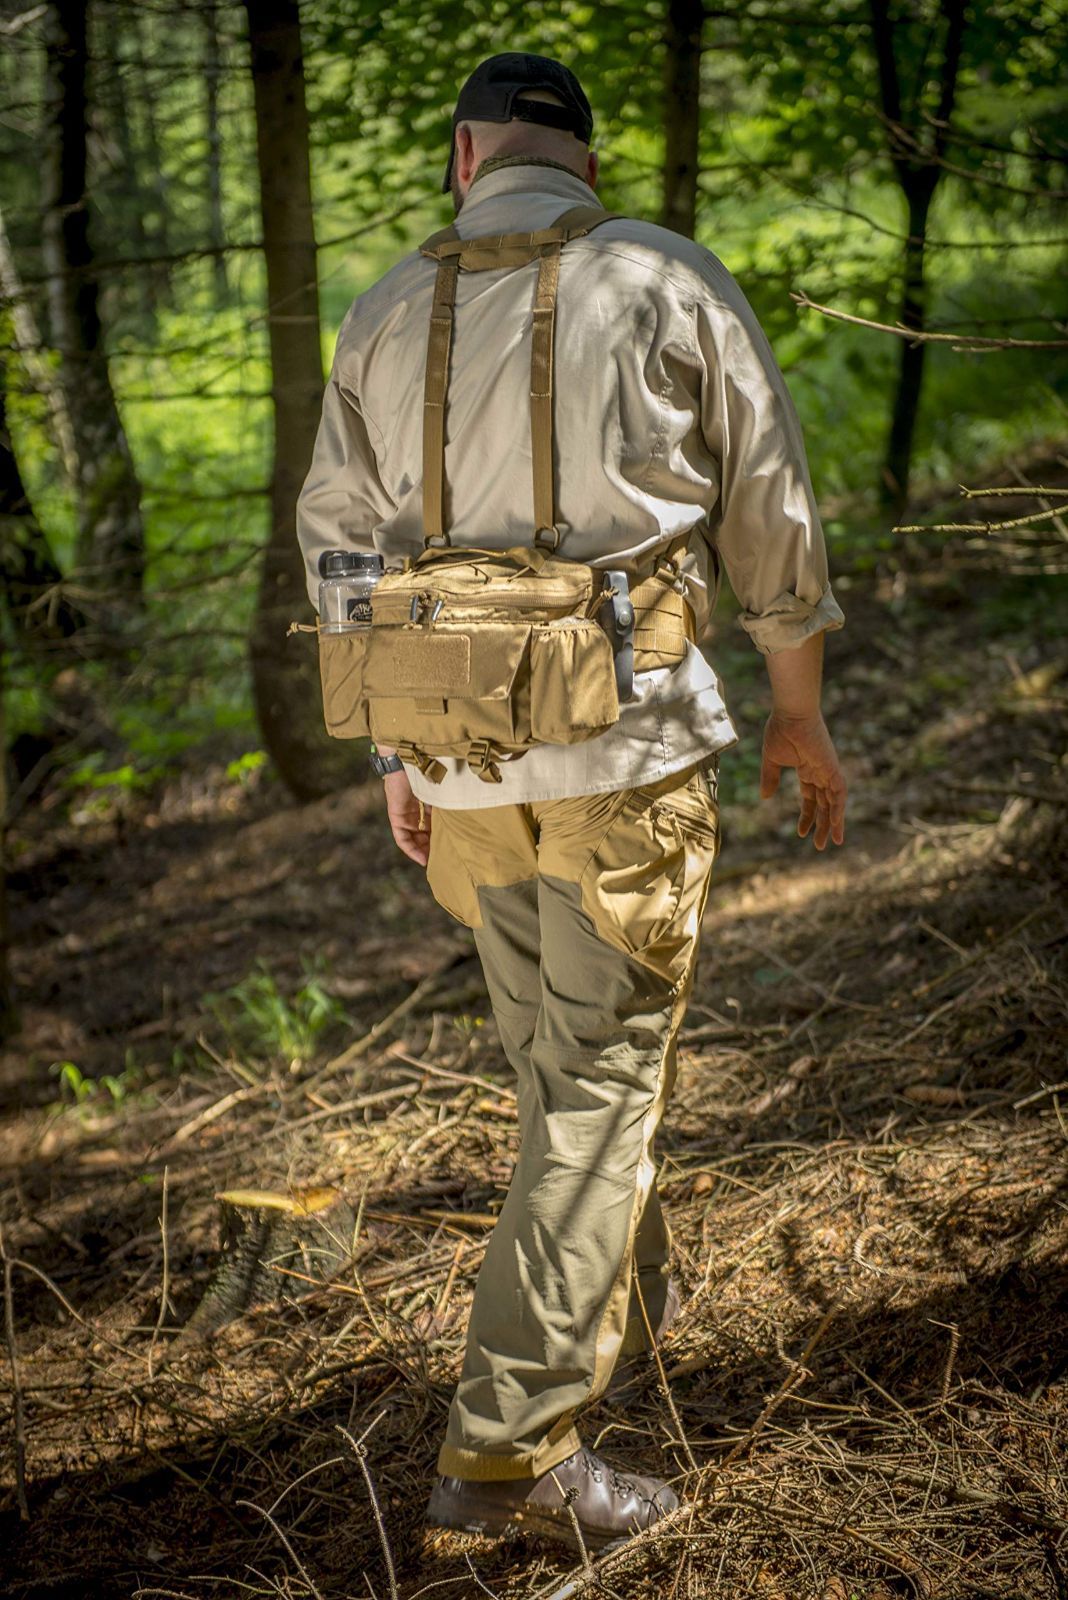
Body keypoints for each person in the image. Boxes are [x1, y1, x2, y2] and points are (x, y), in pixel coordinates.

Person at [297, 51, 846, 1553]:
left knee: (564, 1076)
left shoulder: (387, 301)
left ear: (466, 152)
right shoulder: (666, 277)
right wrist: (797, 715)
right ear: (584, 162)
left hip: (466, 771)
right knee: (600, 1088)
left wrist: (396, 758)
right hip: (628, 755)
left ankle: (622, 1320)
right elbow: (769, 509)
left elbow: (338, 542)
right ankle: (510, 1456)